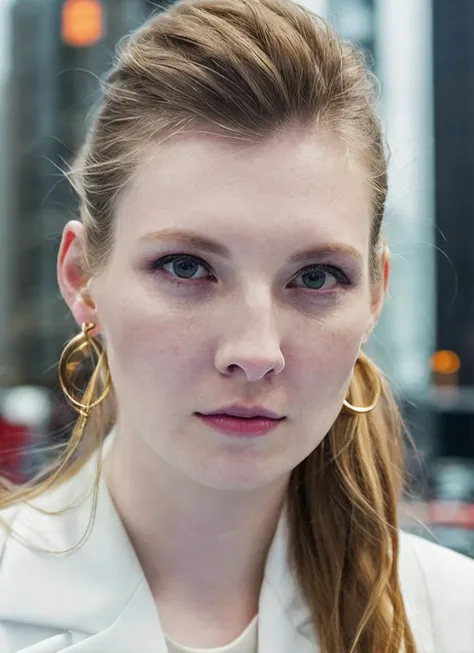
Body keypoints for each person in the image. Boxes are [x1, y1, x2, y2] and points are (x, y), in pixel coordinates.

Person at [1, 0, 473, 651]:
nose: (255, 352)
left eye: (315, 277)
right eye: (186, 266)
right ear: (82, 276)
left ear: (375, 295)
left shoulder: (455, 620)